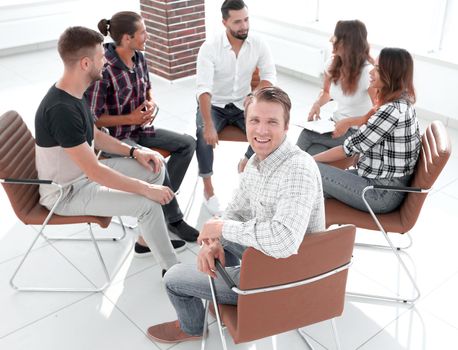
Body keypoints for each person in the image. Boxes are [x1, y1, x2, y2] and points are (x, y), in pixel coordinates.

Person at [146, 86, 325, 343]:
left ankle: (192, 327)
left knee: (173, 278)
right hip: (265, 257)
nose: (261, 130)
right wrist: (216, 241)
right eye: (254, 121)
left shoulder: (297, 169)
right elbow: (237, 210)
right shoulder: (257, 161)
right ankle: (222, 289)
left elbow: (285, 240)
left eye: (271, 122)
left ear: (286, 127)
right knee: (219, 239)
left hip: (285, 276)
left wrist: (221, 230)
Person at [35, 26, 181, 276]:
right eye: (101, 57)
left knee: (155, 166)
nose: (106, 61)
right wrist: (147, 190)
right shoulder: (61, 111)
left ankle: (146, 240)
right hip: (66, 192)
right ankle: (176, 273)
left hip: (83, 176)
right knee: (147, 203)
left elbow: (97, 136)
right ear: (84, 63)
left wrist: (135, 153)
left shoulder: (74, 92)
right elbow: (95, 171)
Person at [85, 11, 199, 250]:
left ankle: (162, 201)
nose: (148, 36)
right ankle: (173, 218)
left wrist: (151, 103)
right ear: (127, 38)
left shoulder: (139, 58)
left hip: (140, 129)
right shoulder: (103, 69)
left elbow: (148, 90)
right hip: (116, 139)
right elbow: (93, 120)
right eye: (143, 32)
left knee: (188, 144)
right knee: (157, 164)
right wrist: (130, 117)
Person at [314, 47, 421, 214]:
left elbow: (347, 150)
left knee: (310, 169)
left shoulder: (390, 111)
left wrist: (307, 160)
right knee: (312, 190)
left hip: (379, 193)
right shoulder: (402, 103)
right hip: (380, 184)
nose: (371, 71)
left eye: (377, 68)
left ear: (390, 74)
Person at [195, 0, 276, 215]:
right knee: (202, 135)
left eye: (246, 19)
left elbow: (269, 77)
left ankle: (247, 161)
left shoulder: (258, 43)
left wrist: (253, 95)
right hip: (215, 104)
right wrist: (209, 125)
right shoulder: (210, 47)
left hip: (244, 102)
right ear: (224, 22)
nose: (244, 26)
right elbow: (203, 89)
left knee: (268, 131)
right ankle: (208, 190)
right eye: (238, 22)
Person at [296, 20, 377, 155]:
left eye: (336, 37)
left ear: (348, 42)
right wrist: (317, 104)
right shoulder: (332, 63)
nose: (331, 40)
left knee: (307, 135)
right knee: (315, 151)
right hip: (334, 124)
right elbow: (327, 92)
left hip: (355, 131)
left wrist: (350, 122)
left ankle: (283, 170)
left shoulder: (368, 73)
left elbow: (379, 111)